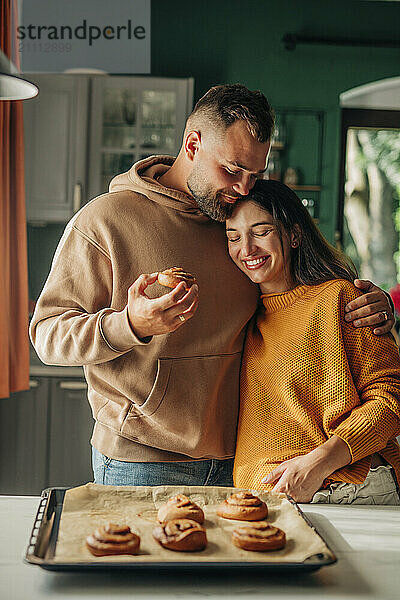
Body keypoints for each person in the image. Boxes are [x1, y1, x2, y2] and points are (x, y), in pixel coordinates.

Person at [29, 84, 394, 487]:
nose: (242, 187)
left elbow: (293, 304)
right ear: (192, 144)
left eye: (254, 174)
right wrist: (129, 324)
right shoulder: (104, 220)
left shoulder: (235, 222)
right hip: (143, 461)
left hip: (244, 464)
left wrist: (372, 306)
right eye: (233, 169)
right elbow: (47, 335)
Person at [226, 179, 400, 504]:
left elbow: (391, 399)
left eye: (261, 231)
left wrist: (317, 464)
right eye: (233, 237)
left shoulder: (340, 298)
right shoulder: (241, 314)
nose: (246, 249)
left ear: (293, 235)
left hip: (345, 489)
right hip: (265, 499)